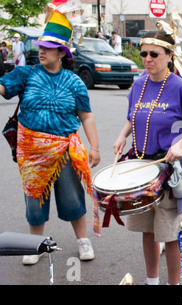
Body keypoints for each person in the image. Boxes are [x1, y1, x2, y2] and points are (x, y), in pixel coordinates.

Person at [0, 10, 101, 265]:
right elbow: (3, 88)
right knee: (34, 199)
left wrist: (95, 147)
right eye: (41, 47)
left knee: (72, 197)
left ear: (61, 53)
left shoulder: (75, 82)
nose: (41, 51)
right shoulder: (27, 74)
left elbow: (86, 116)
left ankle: (82, 240)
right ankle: (35, 245)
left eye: (48, 47)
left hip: (64, 149)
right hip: (31, 152)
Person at [113, 31, 182, 285]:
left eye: (154, 54)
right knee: (147, 229)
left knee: (170, 233)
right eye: (144, 53)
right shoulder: (138, 85)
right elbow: (133, 117)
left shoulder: (180, 87)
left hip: (168, 168)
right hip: (142, 166)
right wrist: (122, 136)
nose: (147, 59)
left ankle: (173, 284)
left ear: (169, 56)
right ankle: (151, 281)